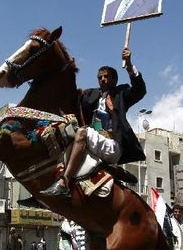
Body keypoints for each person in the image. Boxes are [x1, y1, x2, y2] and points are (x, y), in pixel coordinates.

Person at [41, 47, 146, 197]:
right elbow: (72, 97)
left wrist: (129, 65)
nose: (102, 79)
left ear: (115, 80)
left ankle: (64, 183)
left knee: (83, 132)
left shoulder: (121, 93)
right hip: (93, 141)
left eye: (106, 76)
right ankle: (46, 186)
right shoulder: (91, 94)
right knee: (60, 136)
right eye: (100, 77)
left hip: (111, 145)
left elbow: (140, 89)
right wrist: (68, 71)